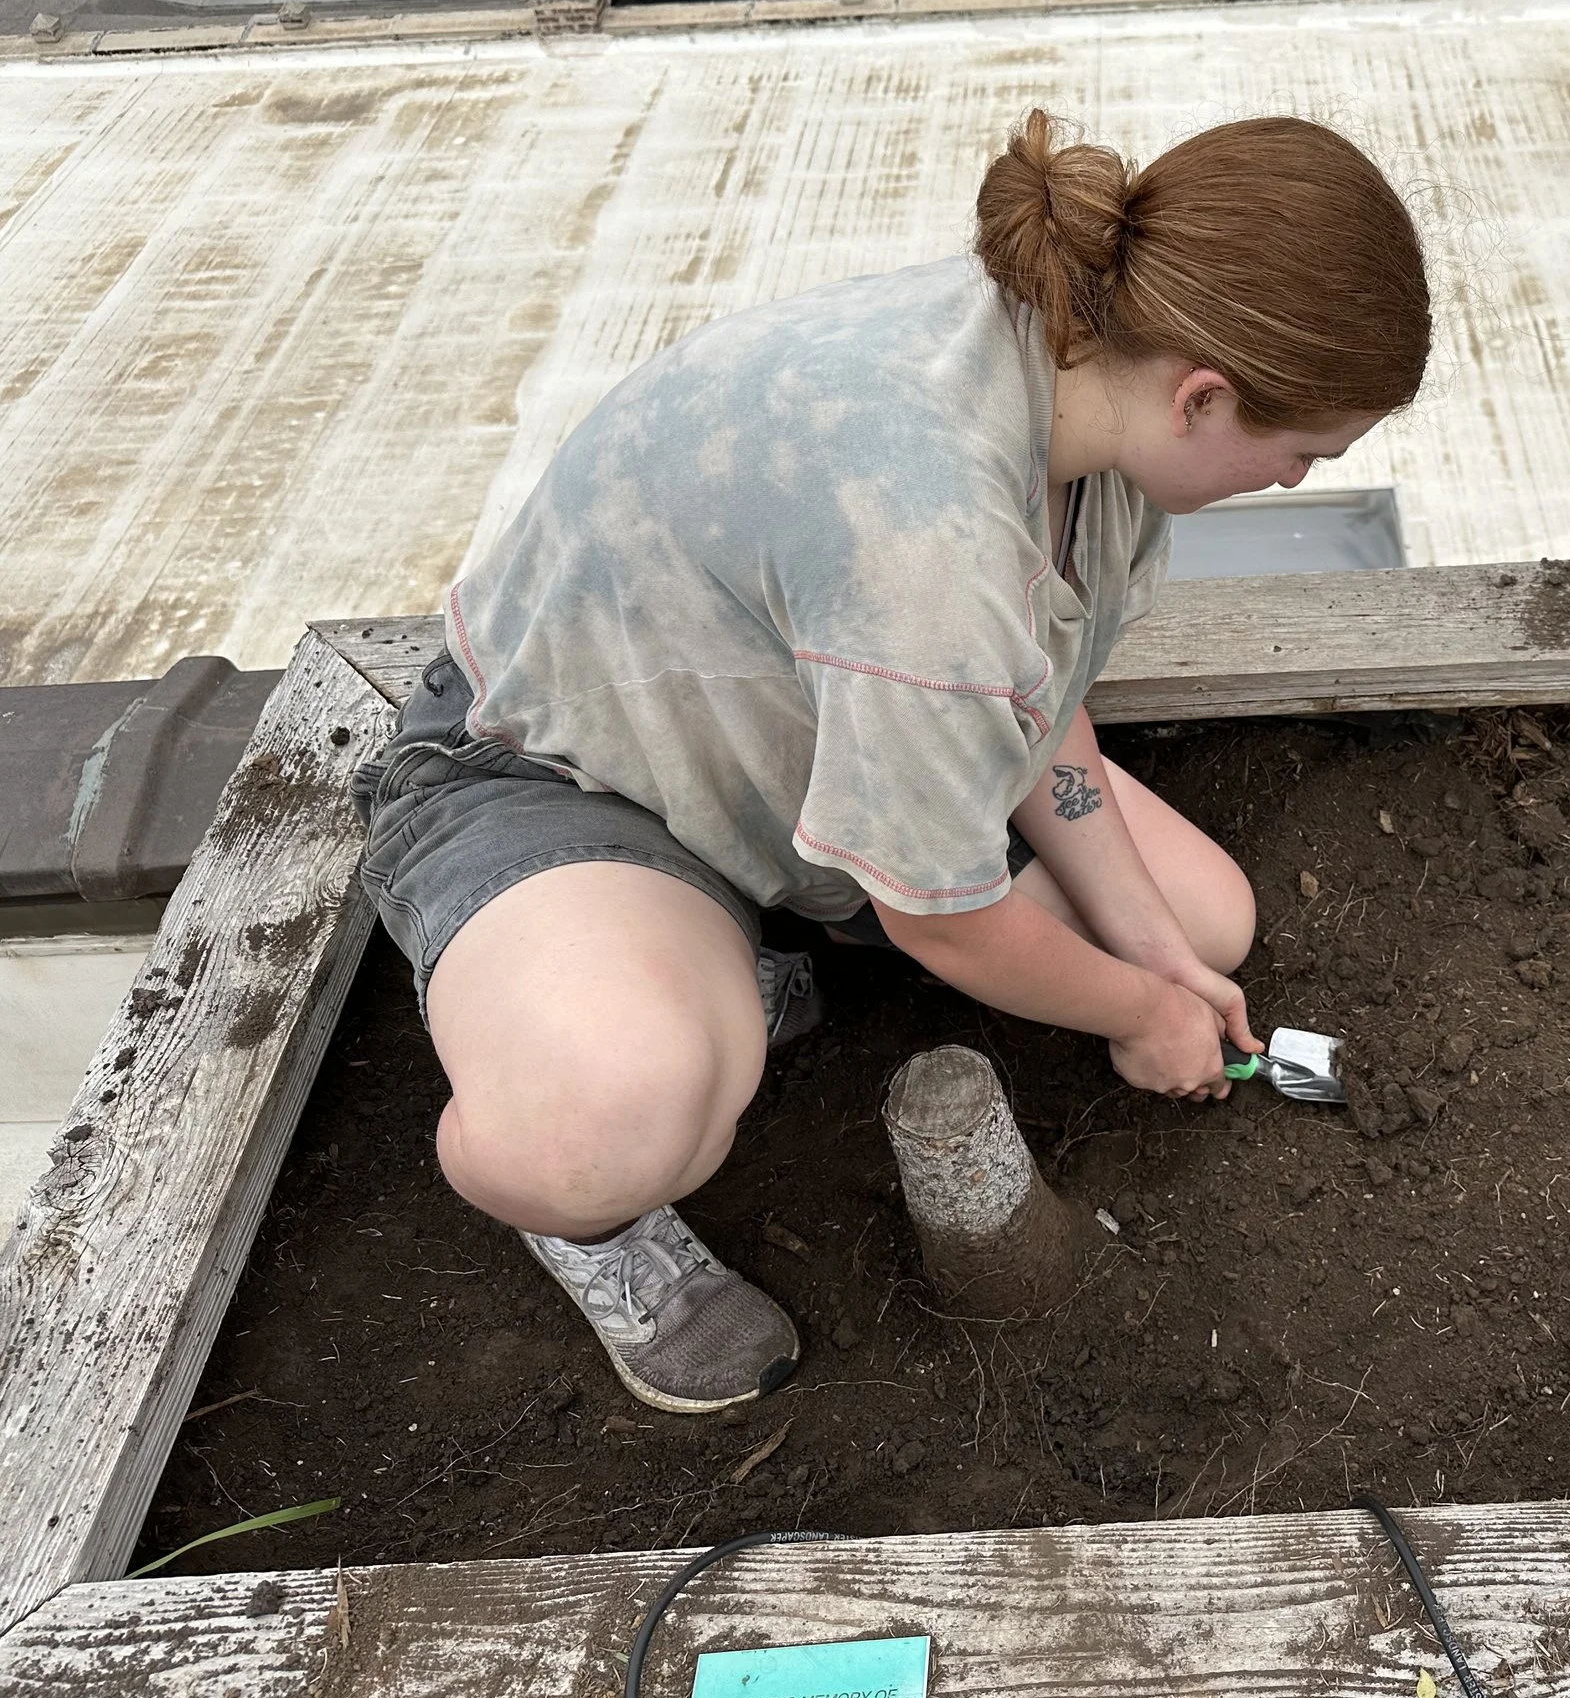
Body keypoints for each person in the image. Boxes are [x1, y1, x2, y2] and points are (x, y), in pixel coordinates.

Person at [355, 110, 1433, 1413]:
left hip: (791, 742)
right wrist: (1144, 1015)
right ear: (1202, 393)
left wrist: (1150, 947)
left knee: (1207, 915)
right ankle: (600, 1155)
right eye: (1305, 450)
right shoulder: (929, 536)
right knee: (612, 1120)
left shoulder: (1084, 371)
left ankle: (735, 959)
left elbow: (1026, 700)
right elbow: (947, 919)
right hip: (577, 769)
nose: (1294, 479)